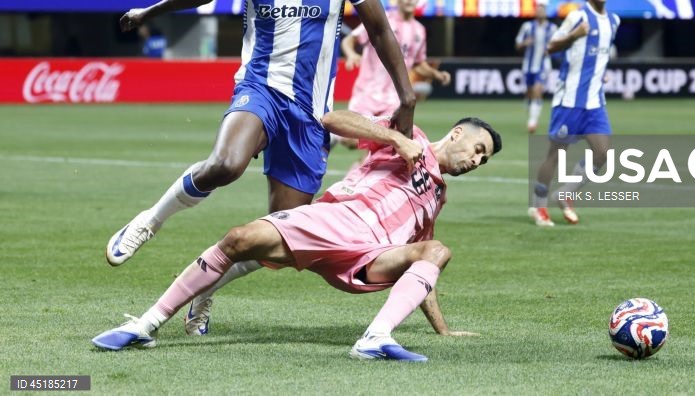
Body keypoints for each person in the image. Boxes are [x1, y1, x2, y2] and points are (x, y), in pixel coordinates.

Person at [106, 0, 416, 332]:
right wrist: (149, 12)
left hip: (311, 115)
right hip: (260, 89)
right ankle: (148, 222)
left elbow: (381, 30)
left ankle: (206, 290)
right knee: (226, 165)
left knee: (282, 238)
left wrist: (406, 96)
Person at [92, 110, 503, 362]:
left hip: (371, 257)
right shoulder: (408, 138)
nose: (477, 160)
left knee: (436, 248)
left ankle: (375, 339)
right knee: (239, 241)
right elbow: (333, 120)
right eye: (478, 148)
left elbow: (424, 266)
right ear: (456, 133)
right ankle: (146, 326)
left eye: (484, 158)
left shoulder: (438, 196)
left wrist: (442, 329)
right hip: (336, 220)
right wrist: (396, 137)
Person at [528, 0, 620, 227]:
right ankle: (538, 206)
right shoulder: (577, 18)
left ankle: (566, 193)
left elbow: (598, 55)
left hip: (595, 102)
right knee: (555, 155)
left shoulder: (614, 21)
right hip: (569, 100)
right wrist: (573, 35)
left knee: (603, 154)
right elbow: (550, 46)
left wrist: (600, 75)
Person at [340, 0, 450, 141]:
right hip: (367, 92)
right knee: (350, 140)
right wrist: (351, 54)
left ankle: (362, 165)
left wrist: (436, 74)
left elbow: (417, 63)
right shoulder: (382, 21)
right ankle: (334, 136)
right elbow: (349, 40)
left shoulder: (419, 31)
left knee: (384, 145)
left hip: (394, 97)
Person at [515, 3, 558, 134]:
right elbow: (517, 45)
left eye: (542, 11)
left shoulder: (552, 28)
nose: (540, 13)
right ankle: (529, 103)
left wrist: (551, 50)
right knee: (529, 92)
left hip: (543, 66)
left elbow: (558, 45)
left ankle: (532, 121)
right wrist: (524, 43)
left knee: (537, 90)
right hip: (528, 66)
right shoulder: (527, 27)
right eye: (538, 11)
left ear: (545, 13)